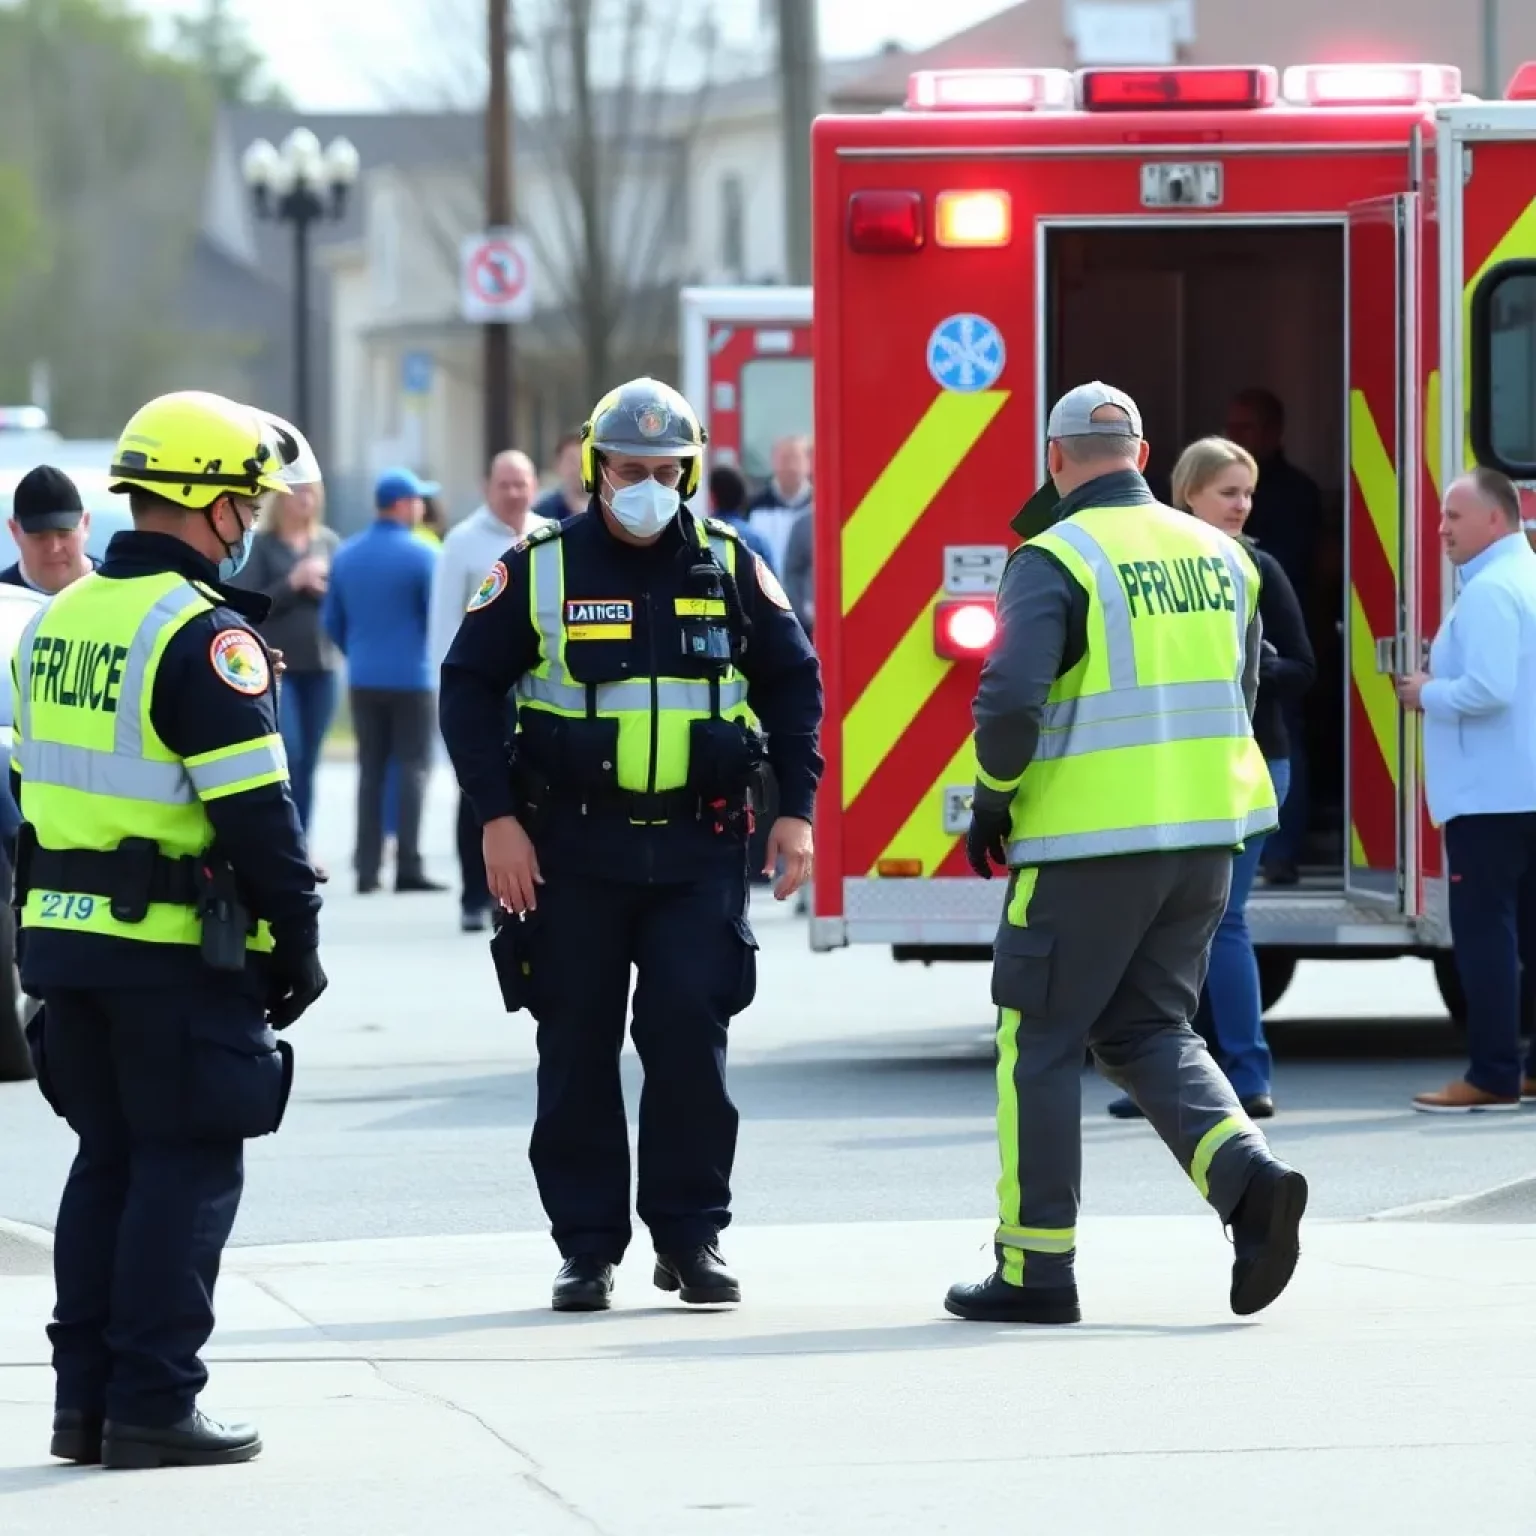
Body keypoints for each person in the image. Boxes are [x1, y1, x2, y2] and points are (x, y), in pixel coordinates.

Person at [439, 378, 823, 1312]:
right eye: (627, 469)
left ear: (688, 472)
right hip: (571, 853)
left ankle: (691, 1239)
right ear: (593, 466)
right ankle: (587, 1249)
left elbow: (793, 680)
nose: (645, 485)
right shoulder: (539, 567)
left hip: (698, 851)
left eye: (664, 470)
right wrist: (496, 818)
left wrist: (796, 809)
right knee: (575, 1049)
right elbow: (466, 688)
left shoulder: (732, 563)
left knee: (691, 1040)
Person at [947, 381, 1307, 1327]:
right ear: (1144, 459)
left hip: (1087, 846)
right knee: (1149, 1032)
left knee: (1039, 1039)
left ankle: (1036, 1269)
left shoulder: (1053, 556)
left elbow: (1010, 702)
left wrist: (995, 799)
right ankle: (1250, 1184)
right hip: (1205, 839)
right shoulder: (1226, 556)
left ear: (1056, 461)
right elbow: (1245, 682)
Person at [10, 390, 325, 1468]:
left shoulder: (57, 620)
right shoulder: (203, 638)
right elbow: (256, 816)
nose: (248, 519)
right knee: (186, 1165)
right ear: (202, 501)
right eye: (241, 499)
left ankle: (85, 1404)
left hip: (60, 944)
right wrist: (300, 939)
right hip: (170, 949)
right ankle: (154, 1401)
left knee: (108, 1163)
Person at [1107, 438, 1314, 1121]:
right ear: (1187, 491)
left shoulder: (1258, 566)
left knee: (1222, 921)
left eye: (1247, 493)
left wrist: (1251, 664)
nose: (1242, 505)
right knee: (1161, 923)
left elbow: (1305, 670)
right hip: (1175, 766)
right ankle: (1166, 1076)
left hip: (1248, 764)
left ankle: (1248, 1078)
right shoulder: (1157, 563)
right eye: (1229, 492)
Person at [1396, 468, 1536, 1111]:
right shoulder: (1523, 578)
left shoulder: (1489, 592)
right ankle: (1525, 1070)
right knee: (1527, 938)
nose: (1442, 527)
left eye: (1454, 516)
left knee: (1485, 938)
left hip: (1489, 796)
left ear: (1496, 521)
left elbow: (1488, 690)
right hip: (1521, 787)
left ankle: (1492, 1075)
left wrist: (1425, 692)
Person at [429, 450, 549, 931]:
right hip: (483, 688)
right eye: (506, 484)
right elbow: (443, 624)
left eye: (522, 484)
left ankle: (520, 892)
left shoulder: (546, 535)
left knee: (531, 787)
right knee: (478, 790)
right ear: (487, 487)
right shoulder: (462, 542)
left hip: (535, 690)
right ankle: (474, 896)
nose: (515, 493)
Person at [323, 468, 445, 895]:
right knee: (412, 768)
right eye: (418, 501)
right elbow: (439, 618)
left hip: (364, 677)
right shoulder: (424, 555)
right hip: (413, 677)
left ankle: (368, 868)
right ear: (401, 504)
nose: (422, 509)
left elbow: (332, 621)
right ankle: (408, 864)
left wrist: (359, 652)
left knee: (371, 770)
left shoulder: (347, 554)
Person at [1225, 388, 1323, 886]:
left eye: (1245, 427)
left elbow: (1287, 564)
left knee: (1285, 740)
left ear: (1273, 431)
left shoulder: (1296, 495)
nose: (1234, 435)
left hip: (1279, 638)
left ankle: (1280, 855)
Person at [234, 414, 340, 847]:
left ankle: (303, 841)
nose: (305, 499)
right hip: (280, 666)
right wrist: (293, 583)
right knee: (290, 754)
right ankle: (285, 839)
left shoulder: (329, 543)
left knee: (311, 760)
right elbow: (250, 604)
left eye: (312, 491)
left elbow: (343, 600)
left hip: (323, 664)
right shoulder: (262, 544)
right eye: (297, 491)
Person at [2, 465, 97, 593]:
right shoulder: (4, 598)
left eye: (64, 533)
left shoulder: (119, 591)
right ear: (14, 531)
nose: (54, 548)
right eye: (39, 536)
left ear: (85, 524)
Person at [746, 434, 811, 575]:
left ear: (809, 462)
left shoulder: (818, 508)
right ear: (773, 461)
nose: (790, 466)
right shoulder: (754, 507)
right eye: (785, 459)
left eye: (796, 459)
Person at [532, 430, 588, 521]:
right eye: (572, 460)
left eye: (584, 460)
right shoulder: (542, 514)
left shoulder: (610, 510)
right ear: (557, 465)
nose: (578, 467)